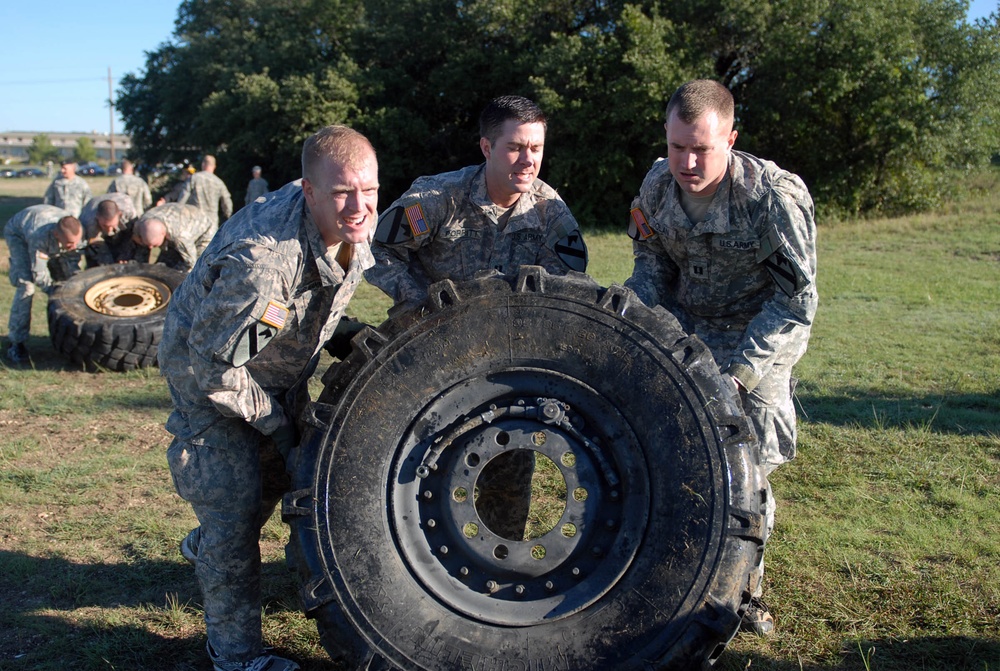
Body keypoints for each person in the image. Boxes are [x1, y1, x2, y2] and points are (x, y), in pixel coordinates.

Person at [158, 125, 379, 671]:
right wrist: (276, 424)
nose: (359, 207)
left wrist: (348, 331)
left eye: (369, 189)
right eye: (342, 193)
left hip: (272, 361)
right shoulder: (264, 268)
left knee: (285, 474)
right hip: (207, 375)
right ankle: (234, 656)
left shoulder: (354, 219)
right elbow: (214, 366)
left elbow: (314, 298)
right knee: (235, 506)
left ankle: (208, 544)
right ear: (308, 190)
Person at [624, 79, 818, 636]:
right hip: (688, 327)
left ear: (731, 138)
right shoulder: (657, 187)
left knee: (745, 471)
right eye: (676, 146)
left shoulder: (772, 198)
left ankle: (744, 592)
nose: (686, 161)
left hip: (756, 336)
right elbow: (653, 269)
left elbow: (794, 301)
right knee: (667, 454)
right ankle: (667, 575)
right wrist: (633, 326)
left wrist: (740, 375)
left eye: (701, 148)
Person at [366, 95, 588, 538]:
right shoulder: (438, 198)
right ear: (486, 147)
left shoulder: (550, 213)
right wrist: (419, 307)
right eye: (515, 147)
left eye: (536, 149)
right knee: (421, 462)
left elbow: (571, 291)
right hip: (434, 352)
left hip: (506, 360)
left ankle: (498, 564)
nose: (528, 161)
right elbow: (376, 249)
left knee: (509, 466)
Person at [3, 205, 86, 364]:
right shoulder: (39, 237)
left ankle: (72, 336)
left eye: (76, 243)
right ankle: (16, 343)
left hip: (50, 232)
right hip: (18, 234)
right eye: (69, 244)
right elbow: (39, 274)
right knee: (26, 286)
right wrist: (56, 295)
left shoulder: (75, 233)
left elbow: (74, 266)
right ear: (56, 235)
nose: (74, 247)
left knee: (69, 279)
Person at [132, 203, 214, 272]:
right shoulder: (140, 224)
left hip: (203, 231)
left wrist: (174, 274)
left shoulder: (180, 237)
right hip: (174, 221)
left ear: (163, 234)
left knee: (197, 268)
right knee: (162, 266)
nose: (150, 248)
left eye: (154, 246)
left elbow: (190, 263)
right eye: (147, 244)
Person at [80, 193, 140, 266]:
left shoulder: (128, 211)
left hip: (123, 229)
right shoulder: (88, 221)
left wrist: (124, 257)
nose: (109, 231)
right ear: (97, 217)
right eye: (105, 226)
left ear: (120, 215)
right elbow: (95, 244)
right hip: (96, 233)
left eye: (112, 226)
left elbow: (132, 235)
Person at [177, 154, 234, 230]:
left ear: (203, 164)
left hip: (195, 219)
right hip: (212, 222)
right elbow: (227, 201)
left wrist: (178, 212)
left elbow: (183, 197)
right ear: (214, 166)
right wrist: (228, 215)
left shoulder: (194, 178)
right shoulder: (219, 182)